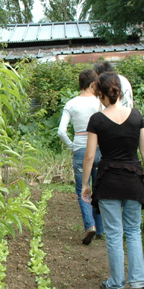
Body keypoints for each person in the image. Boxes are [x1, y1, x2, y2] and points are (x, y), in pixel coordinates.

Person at [81, 72, 144, 289]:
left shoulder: (97, 120)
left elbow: (89, 156)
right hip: (133, 180)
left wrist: (85, 184)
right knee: (133, 231)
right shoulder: (136, 116)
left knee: (114, 233)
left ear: (101, 94)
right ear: (120, 91)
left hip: (108, 182)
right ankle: (139, 281)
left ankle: (116, 284)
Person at [58, 68, 104, 244]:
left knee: (82, 189)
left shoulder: (71, 104)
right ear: (93, 84)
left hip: (79, 149)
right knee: (99, 187)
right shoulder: (99, 103)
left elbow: (61, 131)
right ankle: (100, 229)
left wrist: (72, 146)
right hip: (99, 149)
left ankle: (89, 225)